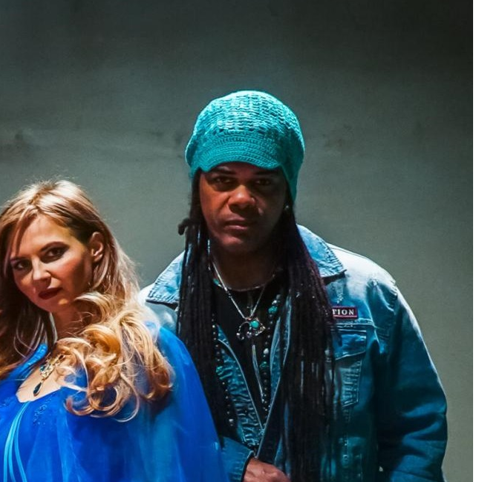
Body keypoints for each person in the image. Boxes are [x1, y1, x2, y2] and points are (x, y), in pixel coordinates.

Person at [141, 90, 448, 482]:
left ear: (287, 190)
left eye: (263, 182)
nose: (242, 198)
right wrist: (229, 465)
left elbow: (417, 434)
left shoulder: (365, 294)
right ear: (198, 187)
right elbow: (141, 441)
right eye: (222, 180)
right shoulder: (152, 319)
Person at [0, 180, 224, 482]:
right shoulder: (15, 375)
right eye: (21, 265)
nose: (38, 275)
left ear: (95, 248)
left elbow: (171, 469)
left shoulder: (139, 353)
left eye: (53, 253)